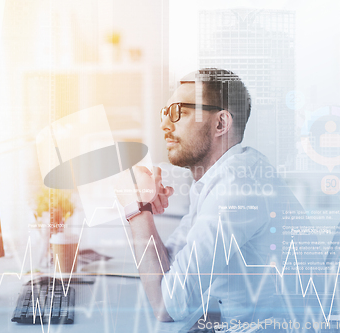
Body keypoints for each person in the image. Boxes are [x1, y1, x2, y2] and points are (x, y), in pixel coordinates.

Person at [117, 68, 314, 325]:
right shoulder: (220, 178)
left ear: (221, 123)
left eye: (179, 112)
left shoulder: (238, 188)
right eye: (165, 114)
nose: (165, 125)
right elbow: (171, 272)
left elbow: (167, 306)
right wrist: (143, 201)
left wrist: (137, 208)